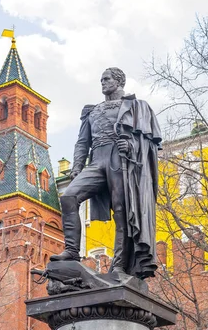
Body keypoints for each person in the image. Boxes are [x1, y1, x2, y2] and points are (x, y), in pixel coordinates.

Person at [51, 67, 162, 279]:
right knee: (69, 197)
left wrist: (131, 146)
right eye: (101, 79)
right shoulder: (93, 111)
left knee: (122, 213)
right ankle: (72, 251)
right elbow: (83, 142)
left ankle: (119, 265)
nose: (102, 83)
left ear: (119, 81)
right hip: (97, 160)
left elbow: (150, 143)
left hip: (120, 162)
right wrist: (76, 167)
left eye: (107, 79)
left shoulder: (137, 107)